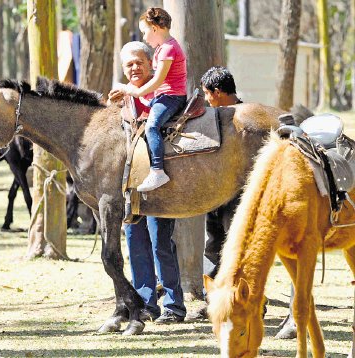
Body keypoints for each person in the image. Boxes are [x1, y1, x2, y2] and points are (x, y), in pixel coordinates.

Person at [108, 41, 186, 324]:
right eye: (128, 64)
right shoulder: (122, 100)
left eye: (139, 62)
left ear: (152, 63)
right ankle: (146, 304)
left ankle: (174, 306)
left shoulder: (164, 96)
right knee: (134, 243)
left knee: (160, 242)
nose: (134, 68)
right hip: (130, 185)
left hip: (158, 184)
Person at [187, 66, 243, 320]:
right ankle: (214, 301)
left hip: (238, 198)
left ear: (217, 92)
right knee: (213, 248)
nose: (207, 99)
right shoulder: (210, 116)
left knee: (239, 249)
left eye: (208, 94)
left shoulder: (246, 119)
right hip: (215, 195)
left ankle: (251, 301)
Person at [115, 7, 187, 192]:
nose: (145, 37)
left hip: (171, 96)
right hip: (164, 94)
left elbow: (157, 81)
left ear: (155, 28)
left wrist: (135, 92)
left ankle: (157, 170)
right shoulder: (162, 49)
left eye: (145, 32)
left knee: (152, 126)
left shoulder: (168, 49)